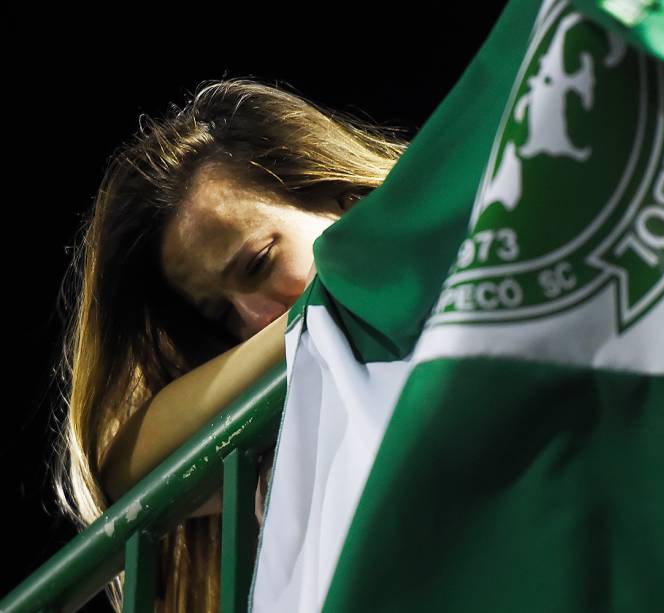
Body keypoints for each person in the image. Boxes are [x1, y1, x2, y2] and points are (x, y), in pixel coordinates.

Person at [51, 77, 410, 613]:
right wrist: (304, 322)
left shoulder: (474, 250)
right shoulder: (286, 411)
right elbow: (122, 468)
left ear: (341, 194)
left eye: (259, 263)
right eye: (220, 313)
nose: (254, 317)